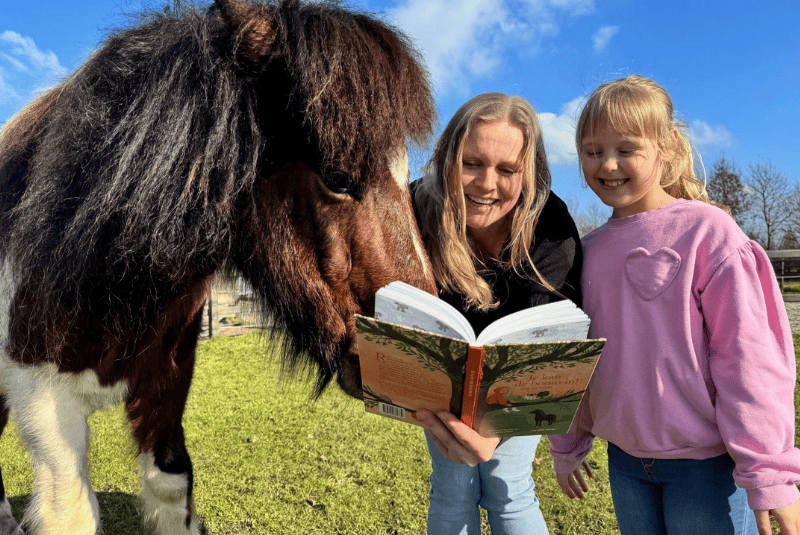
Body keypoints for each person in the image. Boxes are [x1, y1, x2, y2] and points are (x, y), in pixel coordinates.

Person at [549, 74, 800, 535]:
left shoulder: (709, 234)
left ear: (666, 146)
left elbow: (750, 360)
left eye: (626, 149)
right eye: (591, 150)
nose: (607, 164)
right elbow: (577, 358)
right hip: (625, 464)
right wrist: (567, 443)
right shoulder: (585, 250)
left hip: (706, 470)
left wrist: (770, 474)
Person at [410, 92, 583, 535]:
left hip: (515, 382)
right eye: (471, 163)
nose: (487, 184)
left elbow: (549, 345)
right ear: (447, 156)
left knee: (508, 483)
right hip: (441, 385)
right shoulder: (416, 207)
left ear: (530, 174)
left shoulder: (551, 226)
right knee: (450, 485)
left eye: (507, 170)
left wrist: (496, 429)